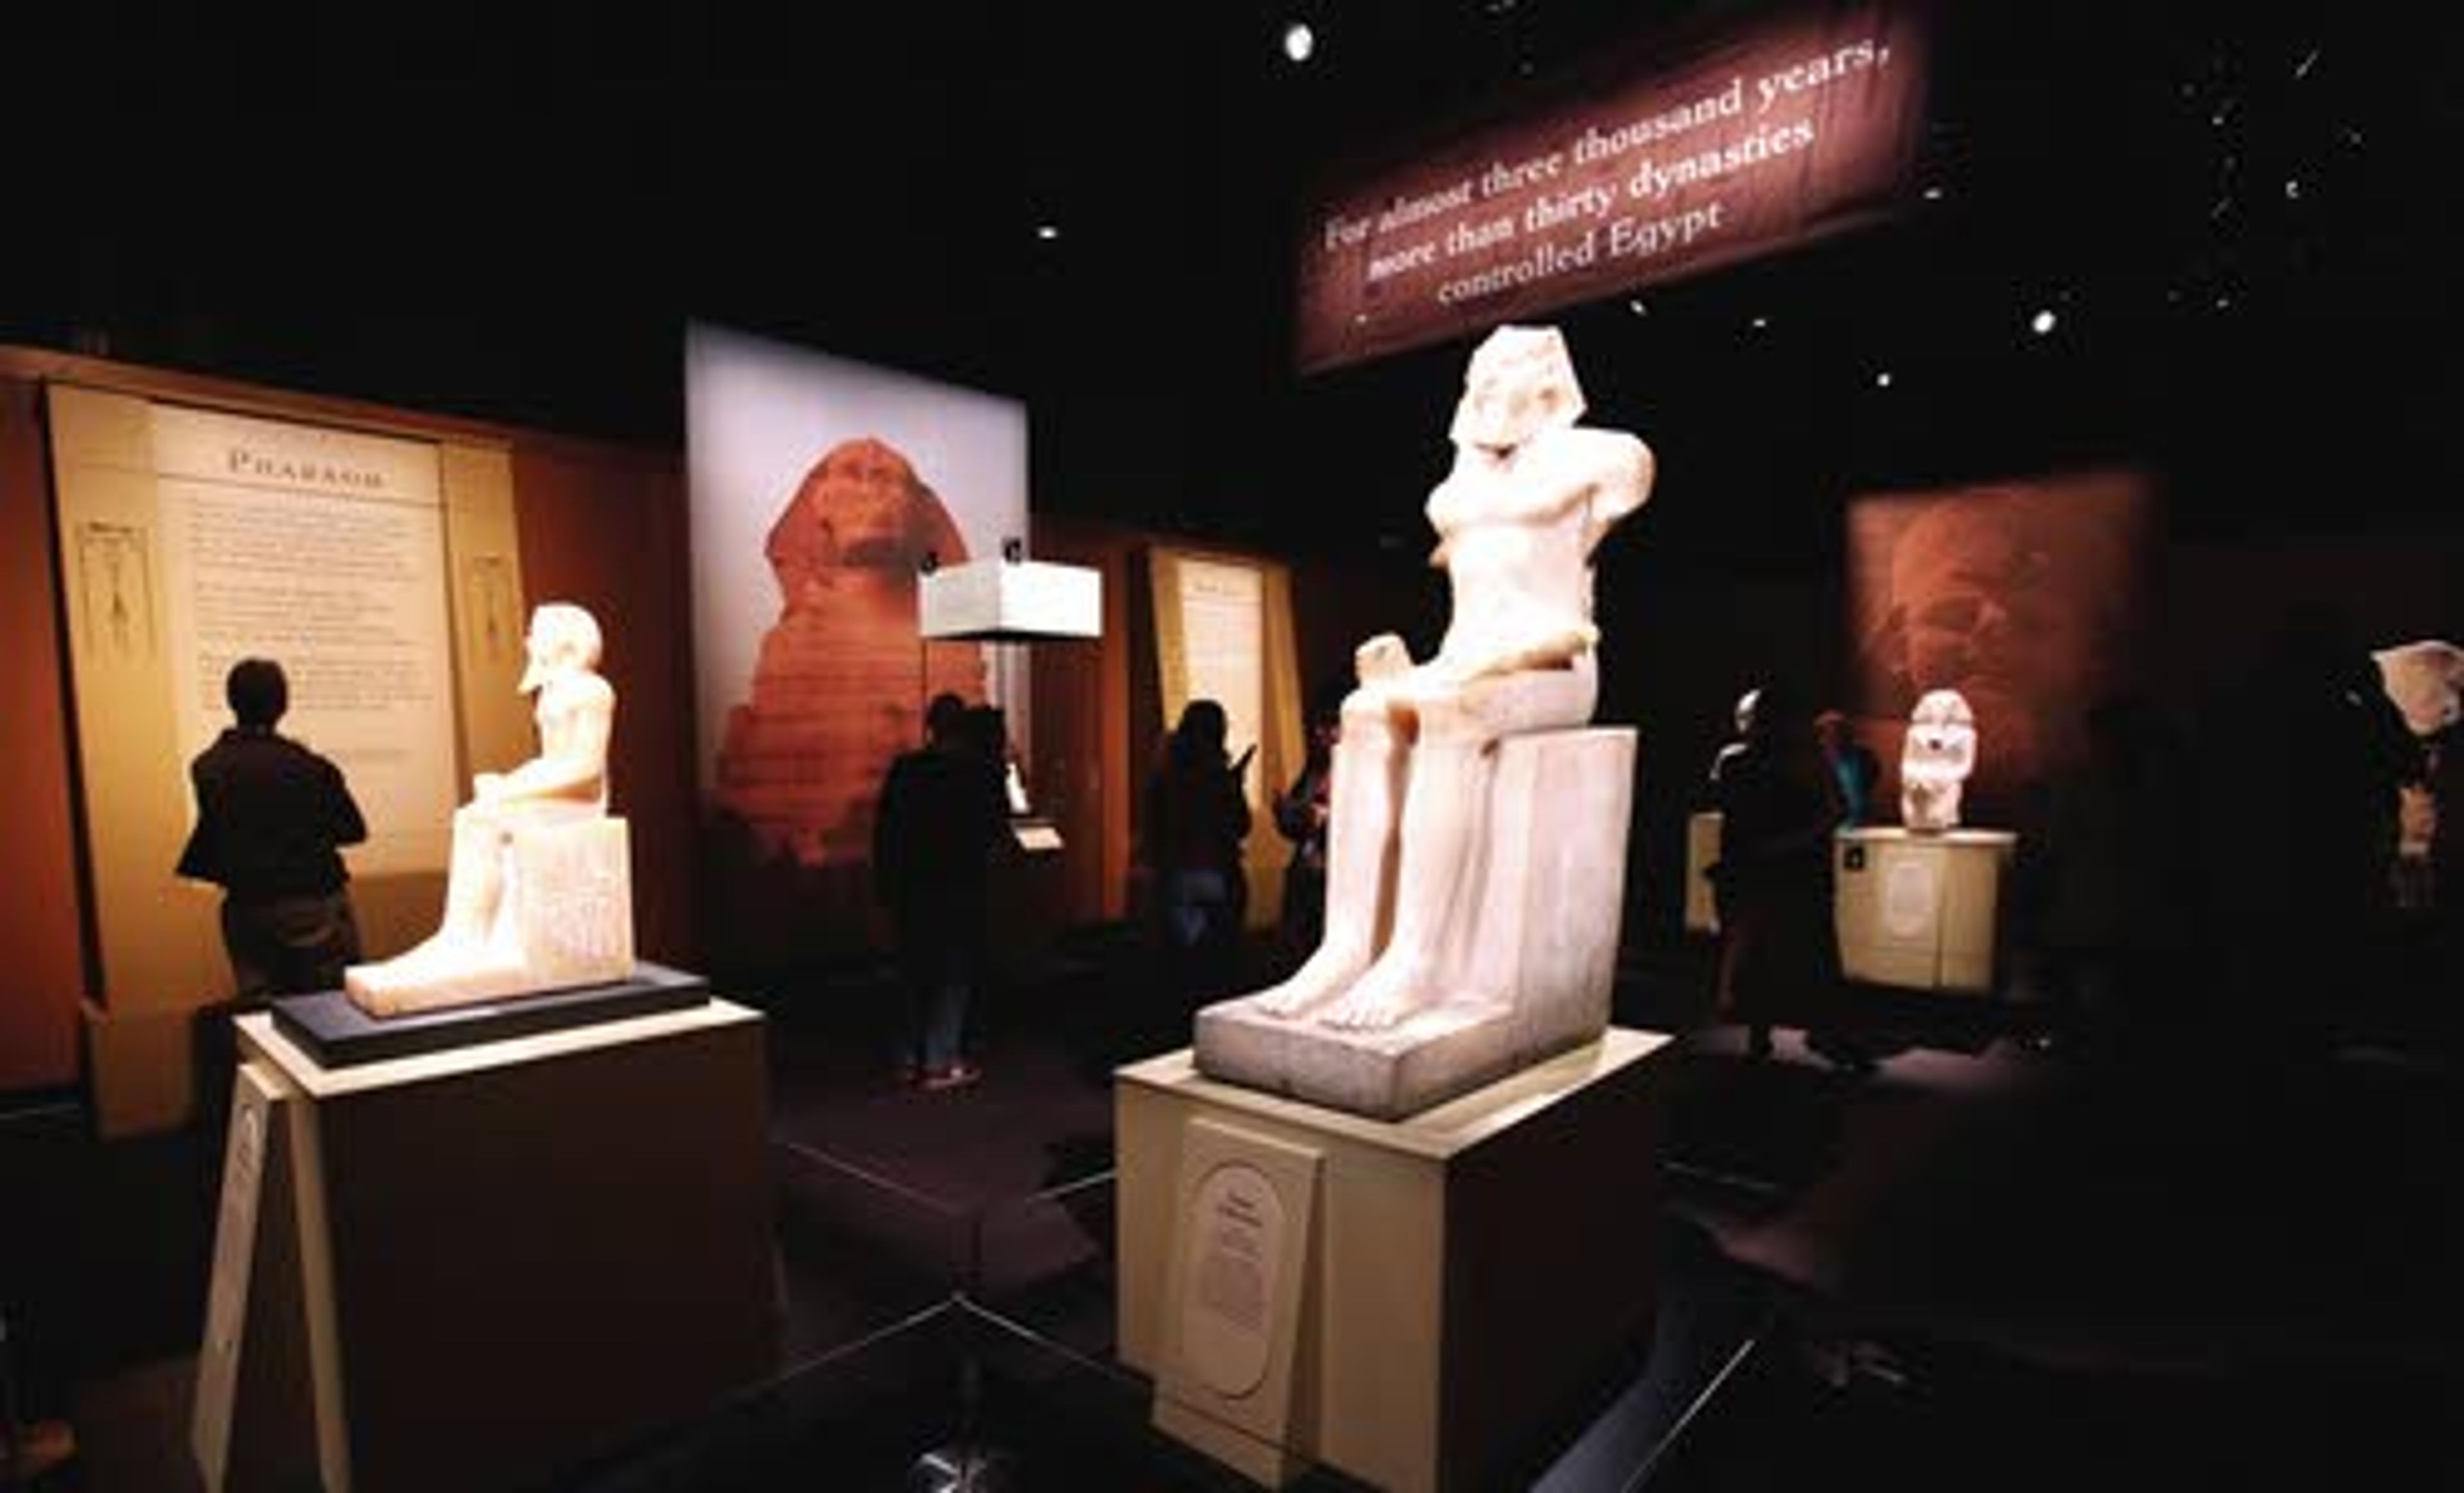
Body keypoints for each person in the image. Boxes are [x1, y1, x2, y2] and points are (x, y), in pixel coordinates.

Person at [1251, 323, 1652, 1030]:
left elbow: (1568, 601)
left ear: (1548, 381)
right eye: (1482, 370)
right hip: (1465, 658)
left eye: (1510, 368)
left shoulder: (1604, 458)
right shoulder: (1456, 487)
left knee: (1451, 715)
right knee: (1365, 710)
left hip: (1555, 661)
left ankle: (1418, 955)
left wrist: (1490, 661)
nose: (1492, 383)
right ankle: (1346, 946)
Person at [344, 602, 618, 1012]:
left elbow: (586, 767)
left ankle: (468, 939)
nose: (527, 639)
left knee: (485, 819)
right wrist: (510, 784)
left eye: (533, 631)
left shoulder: (592, 690)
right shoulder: (554, 692)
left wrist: (512, 791)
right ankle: (461, 934)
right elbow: (549, 761)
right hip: (558, 796)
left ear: (562, 640)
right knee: (474, 815)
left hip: (582, 805)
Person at [176, 658, 368, 1000]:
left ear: (232, 702)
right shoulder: (312, 768)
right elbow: (353, 830)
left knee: (262, 1018)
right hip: (317, 903)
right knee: (332, 1009)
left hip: (248, 908)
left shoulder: (207, 767)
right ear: (283, 704)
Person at [1708, 681, 1856, 1064]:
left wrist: (1775, 847)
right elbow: (1837, 810)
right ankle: (1815, 1032)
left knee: (1773, 952)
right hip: (1788, 868)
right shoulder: (1767, 762)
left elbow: (1736, 817)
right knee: (1802, 952)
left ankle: (1772, 1032)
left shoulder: (1739, 762)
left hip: (1776, 867)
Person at [873, 693, 1011, 1089]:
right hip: (959, 886)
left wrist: (885, 887)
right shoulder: (978, 773)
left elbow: (886, 834)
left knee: (913, 973)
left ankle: (907, 1059)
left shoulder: (906, 769)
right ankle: (939, 1061)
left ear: (930, 726)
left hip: (911, 888)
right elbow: (995, 830)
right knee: (953, 976)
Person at [1144, 699, 1254, 1006]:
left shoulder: (1165, 773)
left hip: (1176, 878)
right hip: (1219, 875)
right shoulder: (1218, 775)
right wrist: (1235, 784)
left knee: (1182, 963)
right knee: (1217, 966)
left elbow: (1155, 828)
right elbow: (1241, 825)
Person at [1271, 685, 1342, 971]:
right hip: (1307, 872)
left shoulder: (1364, 769)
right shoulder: (1315, 769)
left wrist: (1325, 818)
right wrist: (1286, 812)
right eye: (1319, 727)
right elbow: (1296, 825)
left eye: (1331, 726)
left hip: (1338, 874)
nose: (1322, 735)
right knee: (1299, 944)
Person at [1815, 709, 1883, 828]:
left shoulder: (1863, 754)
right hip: (1838, 819)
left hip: (1862, 817)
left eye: (1836, 732)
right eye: (1827, 734)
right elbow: (1827, 792)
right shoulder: (1824, 761)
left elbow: (1874, 772)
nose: (1831, 738)